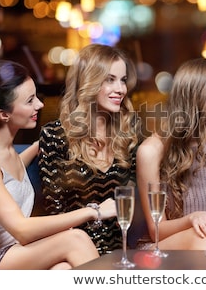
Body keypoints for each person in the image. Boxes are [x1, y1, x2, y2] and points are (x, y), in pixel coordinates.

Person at [0, 60, 116, 270]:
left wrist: (65, 135)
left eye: (36, 96)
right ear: (3, 114)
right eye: (30, 101)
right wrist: (94, 211)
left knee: (63, 270)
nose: (40, 105)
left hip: (11, 254)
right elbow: (22, 229)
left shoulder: (9, 155)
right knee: (75, 239)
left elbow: (23, 162)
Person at [38, 44, 140, 255]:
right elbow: (53, 214)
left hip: (118, 252)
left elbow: (138, 206)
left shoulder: (126, 136)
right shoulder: (55, 135)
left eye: (122, 80)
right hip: (70, 249)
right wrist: (94, 212)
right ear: (88, 81)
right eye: (109, 79)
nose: (120, 89)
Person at [136, 58, 206, 250]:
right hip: (161, 249)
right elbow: (156, 230)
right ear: (192, 90)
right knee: (202, 239)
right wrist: (192, 219)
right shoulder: (151, 150)